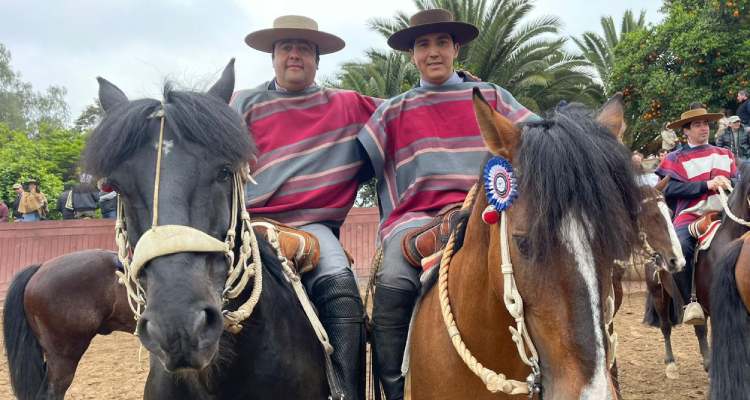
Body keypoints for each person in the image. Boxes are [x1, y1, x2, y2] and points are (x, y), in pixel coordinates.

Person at [357, 9, 539, 399]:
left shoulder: (491, 96)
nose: (433, 52)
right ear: (411, 55)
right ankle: (394, 389)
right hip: (415, 222)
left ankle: (562, 375)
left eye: (442, 42)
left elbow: (540, 140)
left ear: (457, 48)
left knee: (545, 271)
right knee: (392, 280)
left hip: (489, 212)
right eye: (423, 44)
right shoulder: (391, 111)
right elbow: (352, 164)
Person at [230, 15, 381, 400]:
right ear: (273, 57)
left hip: (312, 227)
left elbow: (409, 112)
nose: (294, 55)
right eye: (286, 48)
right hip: (247, 223)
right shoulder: (242, 102)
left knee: (342, 287)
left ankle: (346, 392)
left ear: (317, 59)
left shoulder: (347, 104)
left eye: (303, 48)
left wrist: (460, 89)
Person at [656, 106, 735, 324]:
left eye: (706, 124)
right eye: (697, 125)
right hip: (690, 216)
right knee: (681, 245)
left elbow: (738, 182)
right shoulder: (674, 158)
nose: (704, 128)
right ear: (686, 132)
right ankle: (690, 302)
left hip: (726, 213)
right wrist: (706, 184)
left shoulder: (725, 154)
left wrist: (730, 183)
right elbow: (668, 190)